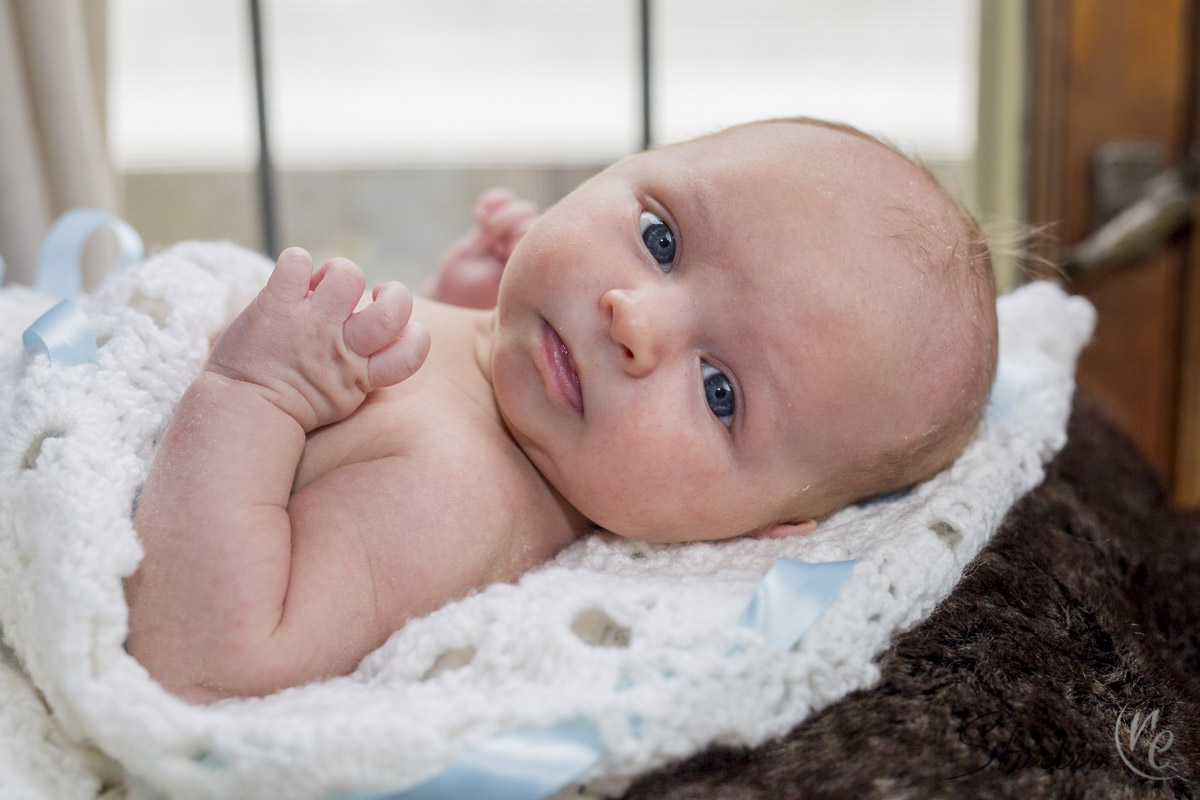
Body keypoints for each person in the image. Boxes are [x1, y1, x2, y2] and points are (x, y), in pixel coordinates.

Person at [124, 118, 998, 702]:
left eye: (718, 390)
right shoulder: (517, 397)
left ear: (757, 527)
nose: (634, 320)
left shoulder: (451, 498)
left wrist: (254, 393)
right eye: (660, 240)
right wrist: (458, 303)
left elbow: (207, 652)